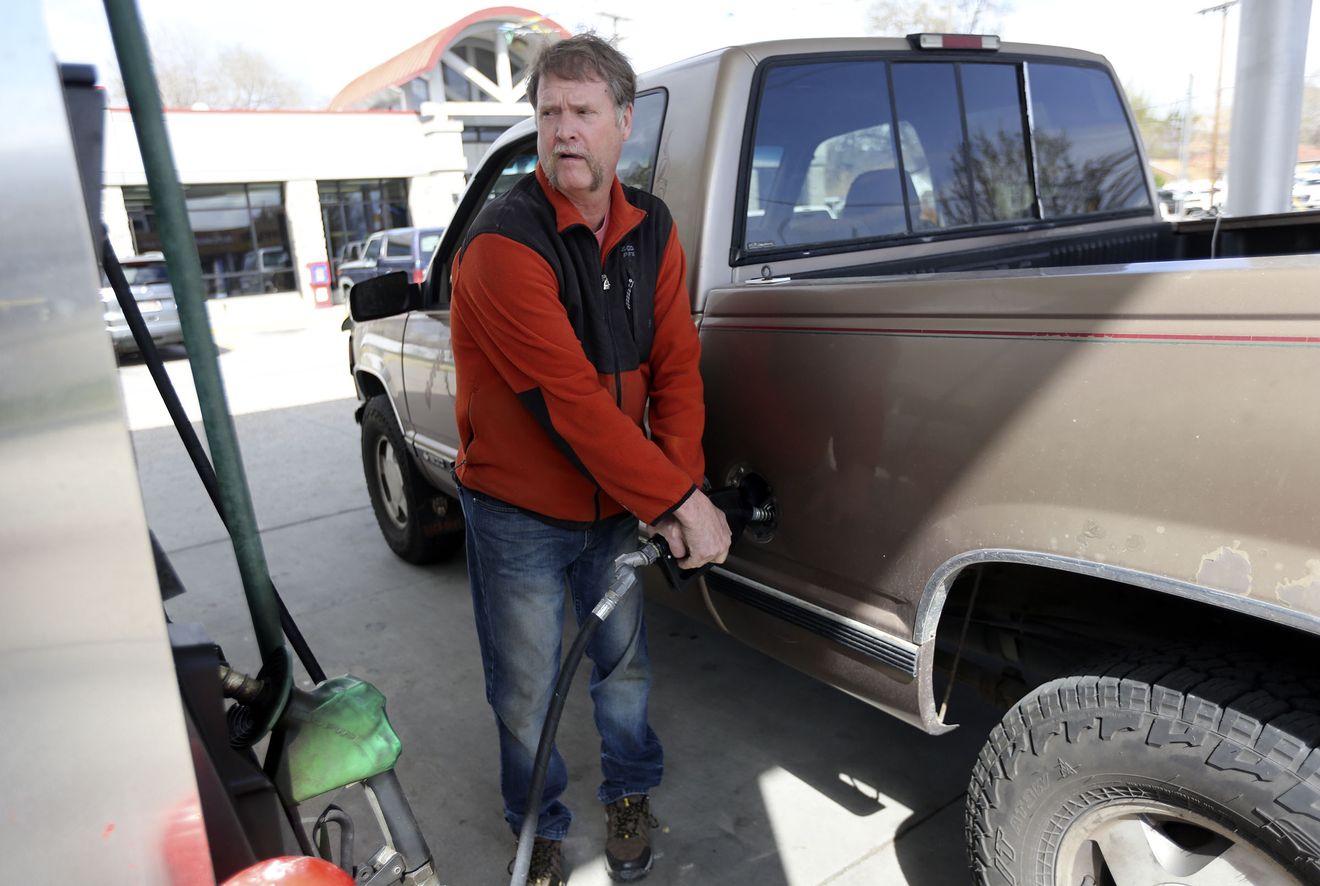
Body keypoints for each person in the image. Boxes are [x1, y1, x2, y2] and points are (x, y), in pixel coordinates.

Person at [448, 33, 732, 886]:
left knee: (623, 671)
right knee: (526, 691)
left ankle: (629, 796)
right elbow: (571, 402)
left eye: (582, 112)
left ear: (624, 123)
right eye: (548, 115)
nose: (563, 130)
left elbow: (676, 366)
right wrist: (682, 501)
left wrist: (669, 485)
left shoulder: (655, 229)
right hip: (519, 518)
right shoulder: (504, 244)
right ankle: (538, 827)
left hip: (618, 509)